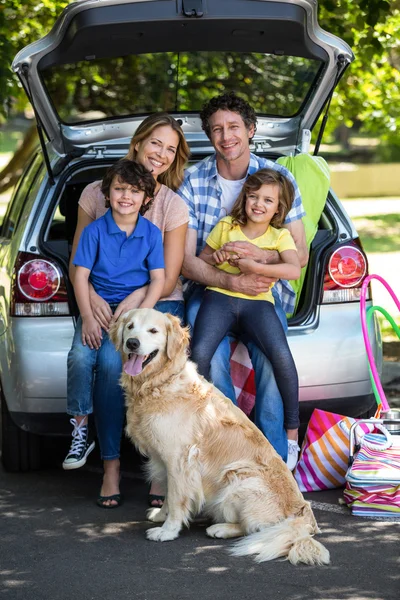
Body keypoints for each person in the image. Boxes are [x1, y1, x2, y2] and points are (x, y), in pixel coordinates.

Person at [63, 113, 190, 508]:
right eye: (156, 143)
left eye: (171, 149)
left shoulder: (169, 206)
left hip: (152, 303)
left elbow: (165, 279)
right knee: (100, 362)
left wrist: (130, 310)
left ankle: (158, 470)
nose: (162, 154)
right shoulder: (94, 195)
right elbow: (79, 261)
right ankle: (110, 466)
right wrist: (96, 302)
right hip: (102, 299)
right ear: (138, 142)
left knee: (127, 366)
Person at [179, 92, 308, 466]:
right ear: (209, 136)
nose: (226, 135)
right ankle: (229, 455)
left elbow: (298, 254)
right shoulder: (192, 181)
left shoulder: (278, 178)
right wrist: (230, 279)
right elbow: (187, 260)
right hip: (211, 293)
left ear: (250, 130)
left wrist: (257, 260)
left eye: (234, 126)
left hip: (265, 295)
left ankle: (275, 462)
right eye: (217, 129)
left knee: (271, 362)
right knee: (211, 360)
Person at [191, 169, 301, 468]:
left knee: (280, 356)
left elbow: (293, 269)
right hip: (219, 298)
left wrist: (257, 265)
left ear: (278, 208)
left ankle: (291, 435)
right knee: (199, 354)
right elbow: (202, 259)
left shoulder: (279, 236)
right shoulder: (227, 225)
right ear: (245, 198)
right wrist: (219, 258)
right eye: (253, 197)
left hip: (258, 303)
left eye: (268, 200)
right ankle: (198, 428)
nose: (259, 204)